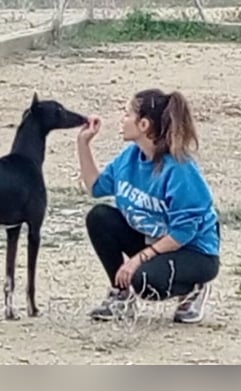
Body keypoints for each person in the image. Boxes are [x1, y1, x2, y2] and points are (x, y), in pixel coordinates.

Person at [76, 88, 221, 324]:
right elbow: (96, 188)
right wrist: (83, 143)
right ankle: (120, 297)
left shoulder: (179, 169)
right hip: (154, 240)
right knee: (99, 217)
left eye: (127, 114)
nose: (122, 121)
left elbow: (184, 232)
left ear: (144, 124)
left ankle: (193, 288)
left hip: (193, 252)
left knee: (144, 282)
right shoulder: (130, 158)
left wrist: (137, 260)